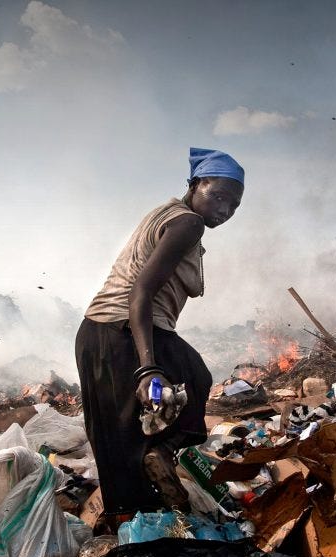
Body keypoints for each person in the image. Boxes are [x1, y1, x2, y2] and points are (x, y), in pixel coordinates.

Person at [76, 147, 245, 523]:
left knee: (119, 439)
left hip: (97, 335)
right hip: (122, 330)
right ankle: (162, 456)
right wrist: (147, 368)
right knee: (194, 377)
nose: (225, 210)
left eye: (234, 205)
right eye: (217, 195)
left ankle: (128, 526)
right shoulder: (187, 223)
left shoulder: (168, 213)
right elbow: (141, 293)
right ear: (195, 184)